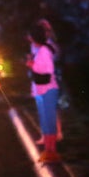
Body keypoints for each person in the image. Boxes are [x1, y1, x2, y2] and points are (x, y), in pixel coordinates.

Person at [27, 22, 61, 164]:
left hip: (48, 88)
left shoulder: (45, 51)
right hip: (40, 89)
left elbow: (48, 69)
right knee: (45, 120)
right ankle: (48, 149)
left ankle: (52, 150)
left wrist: (32, 65)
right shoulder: (40, 50)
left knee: (49, 119)